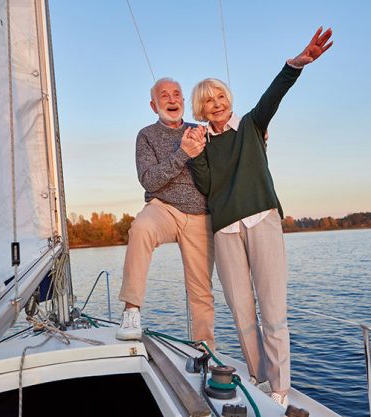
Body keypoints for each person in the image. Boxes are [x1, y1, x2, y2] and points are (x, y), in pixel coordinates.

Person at [188, 27, 333, 408]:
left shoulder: (253, 124)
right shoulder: (200, 143)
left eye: (221, 96)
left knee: (272, 311)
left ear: (228, 99)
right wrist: (192, 154)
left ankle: (281, 389)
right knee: (241, 313)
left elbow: (275, 94)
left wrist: (296, 64)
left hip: (262, 221)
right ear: (200, 109)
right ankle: (259, 379)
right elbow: (206, 186)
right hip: (225, 231)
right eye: (208, 100)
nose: (216, 103)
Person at [115, 78, 215, 349]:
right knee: (141, 229)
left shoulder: (203, 131)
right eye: (164, 95)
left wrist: (259, 138)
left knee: (201, 291)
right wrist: (182, 153)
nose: (171, 100)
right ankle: (131, 311)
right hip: (164, 208)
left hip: (200, 215)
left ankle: (205, 348)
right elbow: (149, 179)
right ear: (153, 104)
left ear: (183, 101)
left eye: (176, 95)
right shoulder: (146, 135)